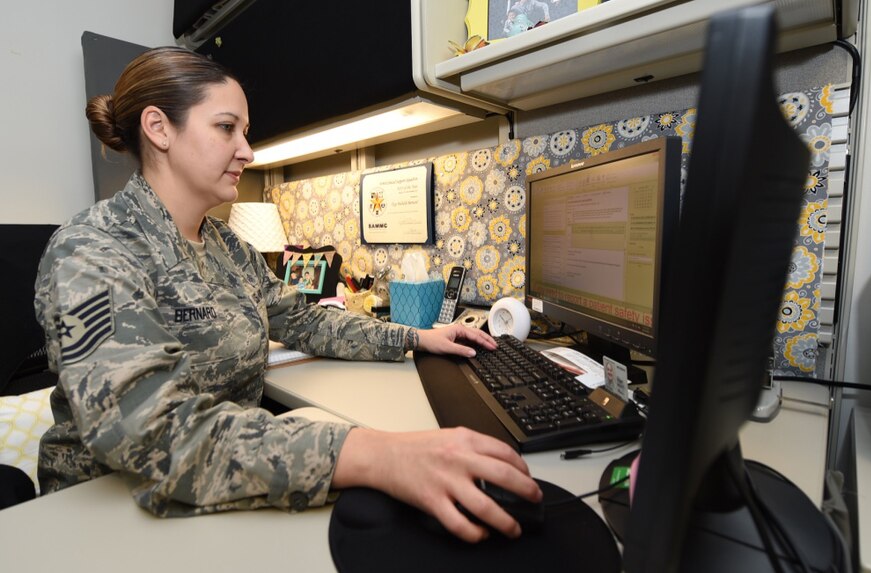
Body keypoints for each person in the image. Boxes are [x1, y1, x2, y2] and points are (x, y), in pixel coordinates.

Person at [35, 47, 541, 543]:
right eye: (226, 127)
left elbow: (304, 321)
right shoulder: (91, 251)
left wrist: (413, 336)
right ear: (159, 127)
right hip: (105, 510)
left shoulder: (227, 245)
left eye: (245, 133)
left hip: (223, 481)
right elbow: (147, 432)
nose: (247, 151)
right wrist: (377, 455)